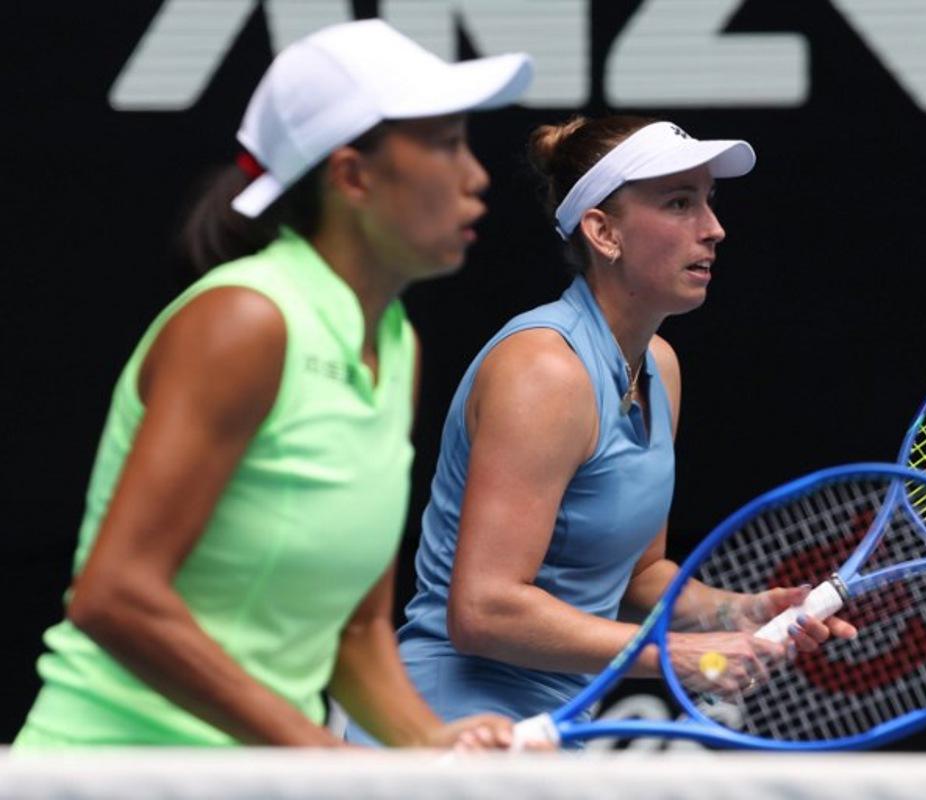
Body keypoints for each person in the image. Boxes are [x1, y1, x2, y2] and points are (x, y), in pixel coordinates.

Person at [13, 19, 533, 749]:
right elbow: (114, 597)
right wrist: (324, 760)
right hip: (109, 772)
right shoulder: (246, 321)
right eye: (447, 145)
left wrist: (427, 745)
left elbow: (356, 630)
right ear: (352, 176)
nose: (476, 176)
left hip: (262, 776)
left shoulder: (394, 343)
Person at [346, 116, 857, 744]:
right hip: (453, 724)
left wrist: (743, 610)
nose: (713, 228)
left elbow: (639, 577)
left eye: (709, 201)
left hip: (553, 725)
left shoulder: (660, 366)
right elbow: (483, 610)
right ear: (603, 231)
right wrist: (673, 655)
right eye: (679, 203)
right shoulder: (544, 371)